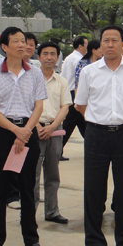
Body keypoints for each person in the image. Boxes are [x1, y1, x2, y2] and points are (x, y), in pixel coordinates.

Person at [75, 25, 123, 246]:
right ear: (100, 44)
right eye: (105, 40)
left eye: (114, 40)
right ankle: (95, 244)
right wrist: (98, 121)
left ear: (122, 44)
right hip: (96, 135)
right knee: (94, 191)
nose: (109, 44)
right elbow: (80, 105)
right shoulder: (89, 72)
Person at [0, 26, 47, 246]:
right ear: (5, 47)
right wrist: (14, 131)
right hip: (3, 132)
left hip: (28, 132)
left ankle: (31, 238)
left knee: (27, 188)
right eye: (16, 41)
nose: (23, 45)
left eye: (24, 41)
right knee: (0, 188)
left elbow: (39, 105)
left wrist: (25, 131)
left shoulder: (35, 72)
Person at [33, 41, 72, 224]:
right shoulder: (30, 78)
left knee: (53, 172)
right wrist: (38, 127)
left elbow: (65, 107)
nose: (49, 57)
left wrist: (52, 127)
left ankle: (52, 211)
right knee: (33, 173)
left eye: (53, 54)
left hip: (54, 130)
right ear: (39, 56)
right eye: (45, 53)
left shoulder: (61, 81)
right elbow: (26, 106)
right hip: (34, 129)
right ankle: (29, 211)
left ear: (58, 58)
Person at [60, 36, 88, 158]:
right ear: (80, 46)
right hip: (74, 93)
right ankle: (57, 150)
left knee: (83, 122)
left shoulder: (68, 58)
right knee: (69, 123)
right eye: (86, 45)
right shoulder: (78, 59)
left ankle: (93, 145)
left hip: (68, 91)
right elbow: (81, 78)